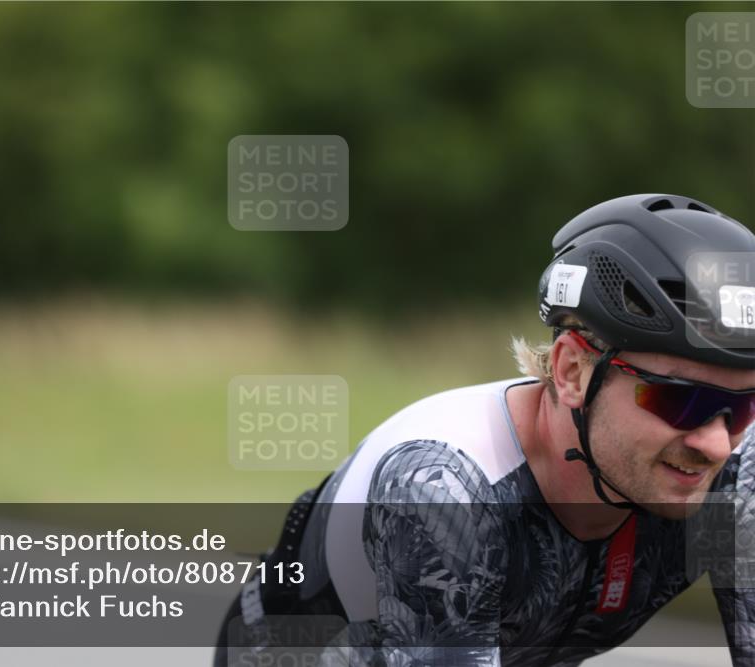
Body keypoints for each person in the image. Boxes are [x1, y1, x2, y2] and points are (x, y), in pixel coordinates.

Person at [214, 194, 755, 666]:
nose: (714, 442)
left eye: (746, 404)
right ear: (571, 372)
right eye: (678, 400)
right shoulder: (441, 482)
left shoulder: (738, 468)